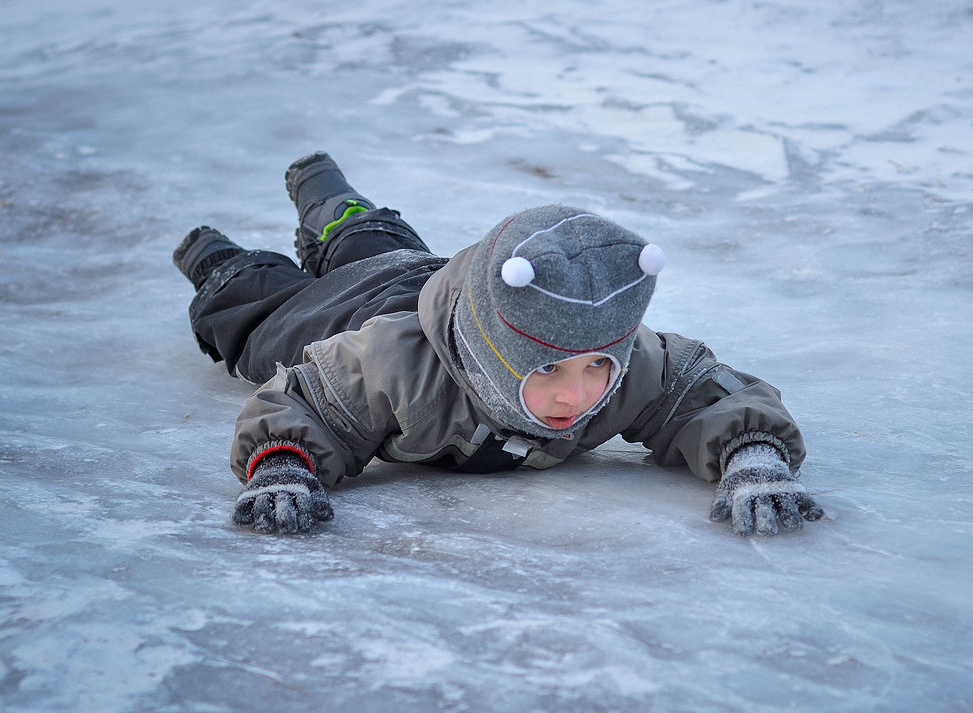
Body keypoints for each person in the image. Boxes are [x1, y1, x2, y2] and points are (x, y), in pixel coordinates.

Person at [173, 152, 823, 537]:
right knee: (259, 319)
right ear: (497, 354)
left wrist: (753, 457)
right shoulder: (397, 366)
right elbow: (305, 400)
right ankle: (220, 259)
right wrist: (283, 465)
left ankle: (335, 201)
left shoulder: (615, 364)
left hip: (436, 279)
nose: (578, 393)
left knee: (376, 240)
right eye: (549, 370)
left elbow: (699, 387)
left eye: (597, 365)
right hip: (344, 314)